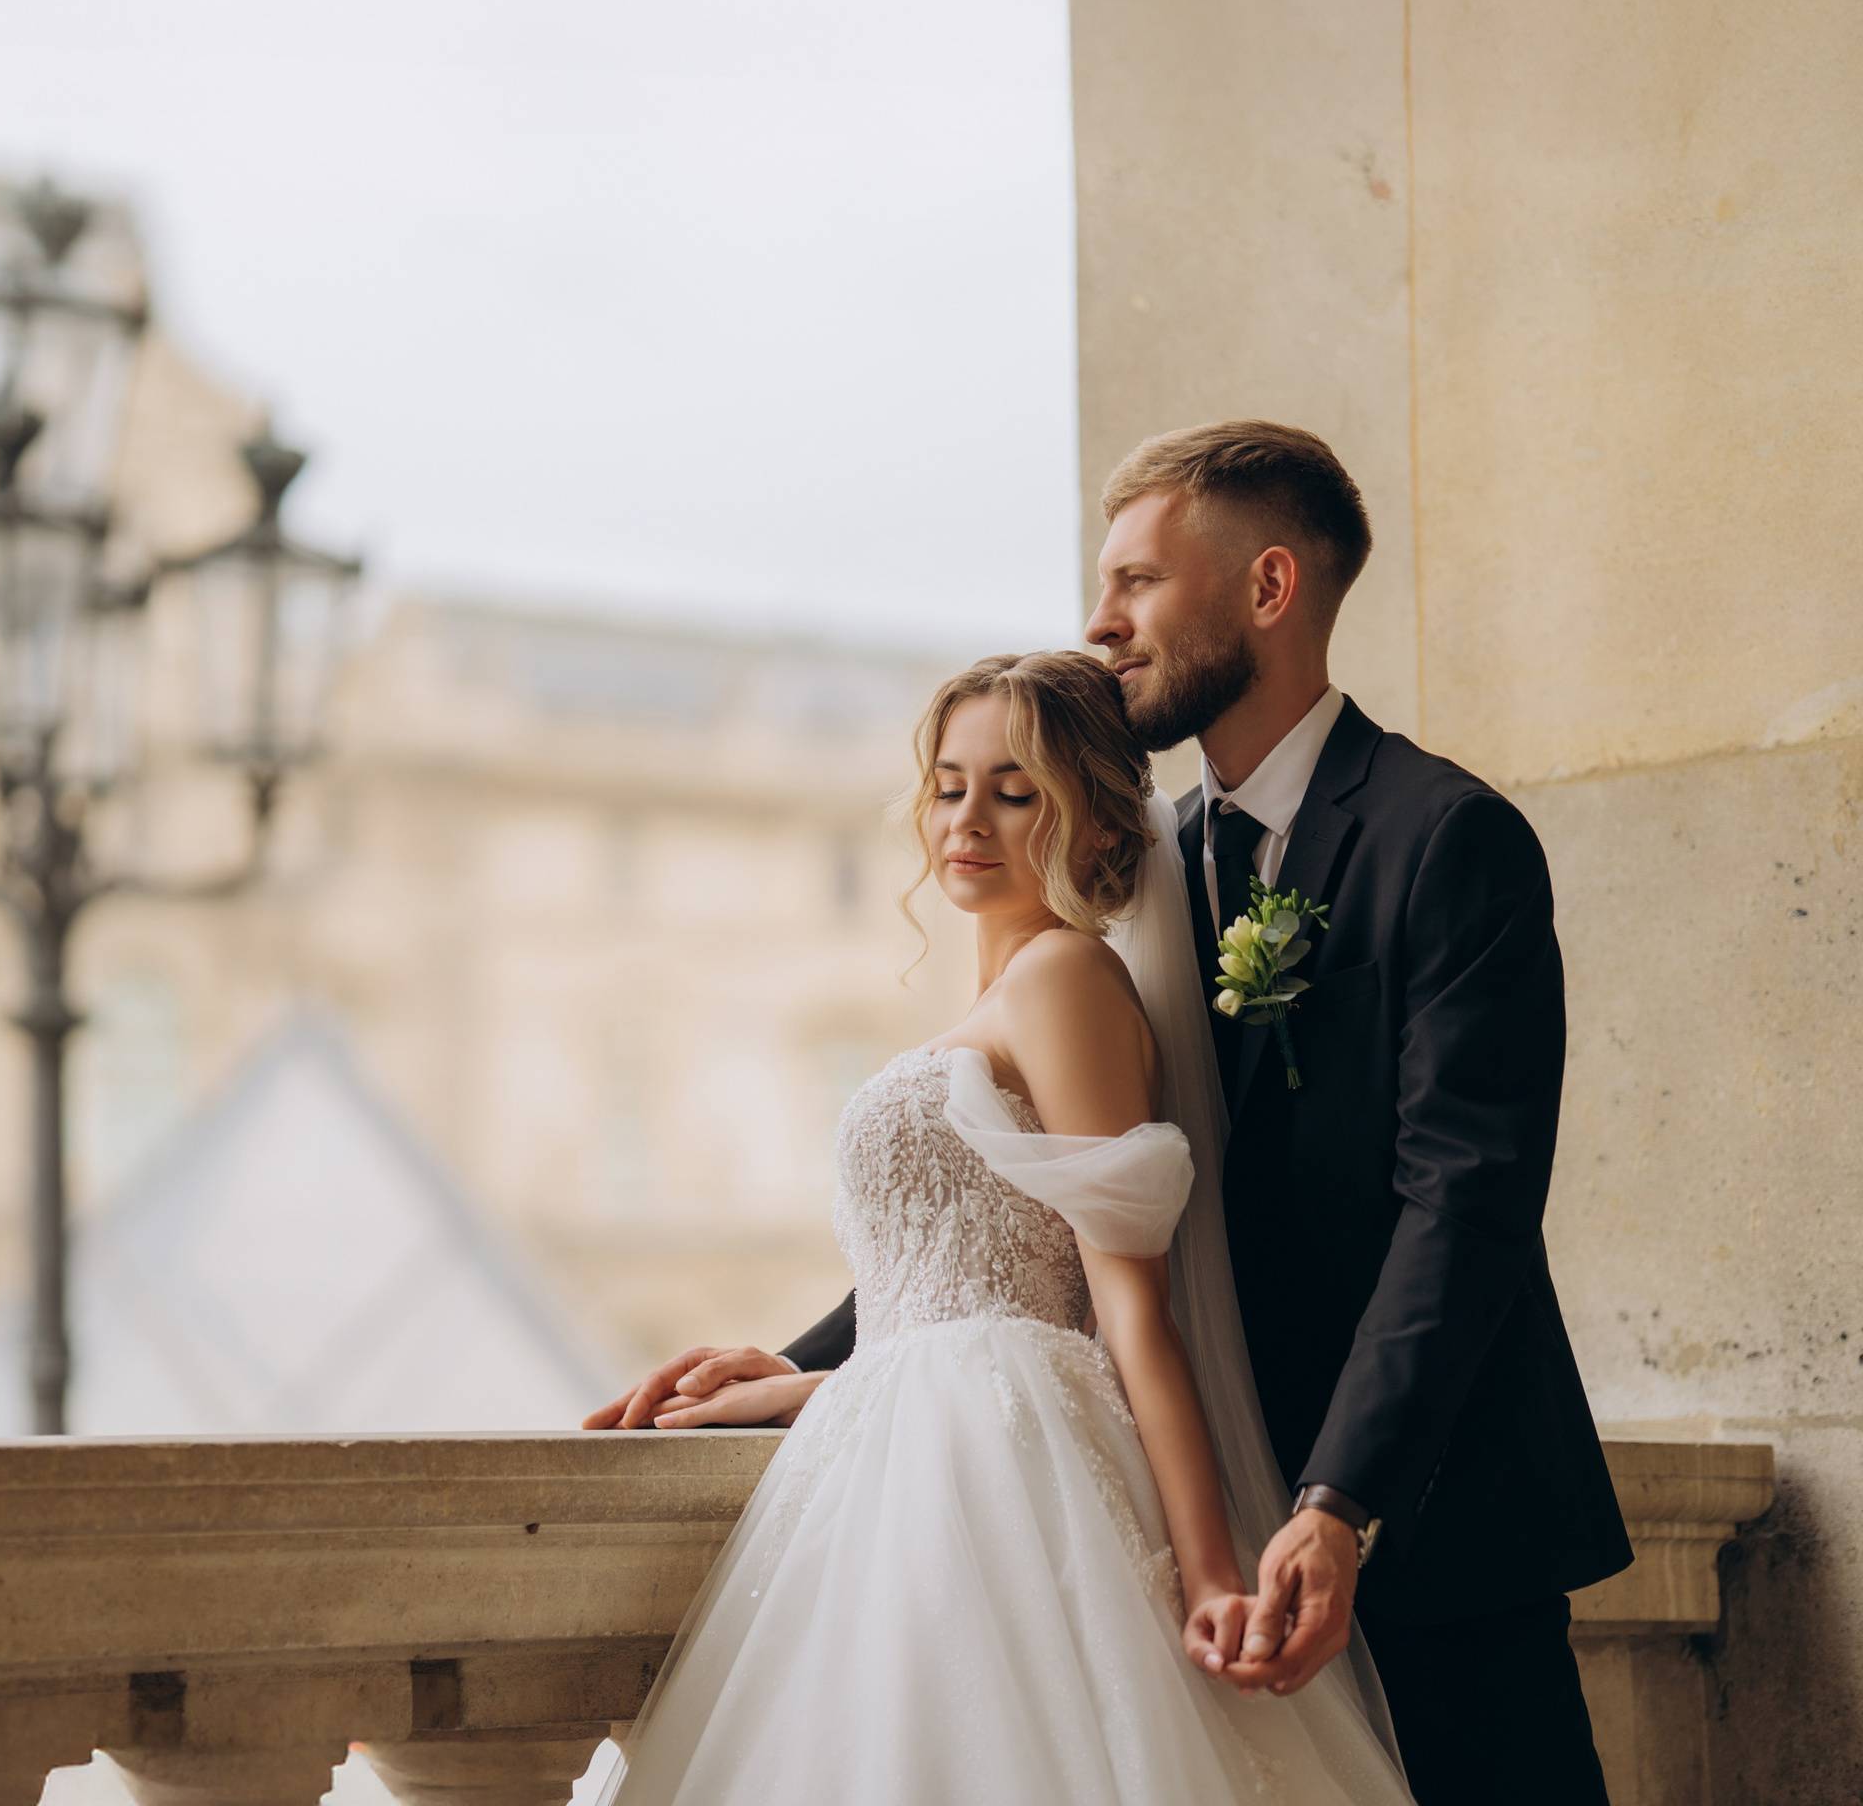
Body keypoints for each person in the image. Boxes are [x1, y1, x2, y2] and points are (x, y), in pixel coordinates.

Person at [597, 422, 1630, 1806]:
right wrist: (802, 1365)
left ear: (1268, 588)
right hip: (1182, 1482)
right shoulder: (1141, 859)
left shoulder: (1443, 839)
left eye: (1140, 583)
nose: (1102, 621)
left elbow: (1469, 1201)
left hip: (1425, 1515)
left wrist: (1339, 1502)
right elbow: (1050, 1191)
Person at [587, 650, 1413, 1805]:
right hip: (909, 1453)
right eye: (948, 782)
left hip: (1005, 1493)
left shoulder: (1062, 976)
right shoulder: (1003, 992)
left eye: (1014, 790)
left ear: (1092, 824)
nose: (966, 818)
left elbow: (1127, 1306)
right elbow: (967, 1304)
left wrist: (1210, 1571)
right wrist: (803, 1374)